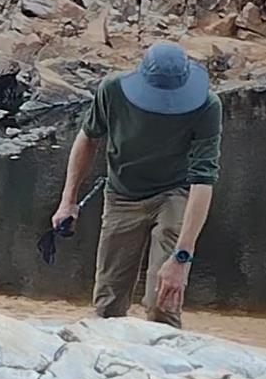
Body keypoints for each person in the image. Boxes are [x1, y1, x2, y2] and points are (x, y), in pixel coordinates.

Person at [52, 41, 222, 327]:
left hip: (175, 192)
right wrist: (68, 201)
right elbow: (88, 137)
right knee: (108, 304)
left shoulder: (207, 105)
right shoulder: (112, 90)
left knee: (162, 303)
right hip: (123, 194)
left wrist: (182, 257)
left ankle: (165, 348)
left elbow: (203, 180)